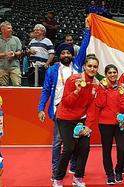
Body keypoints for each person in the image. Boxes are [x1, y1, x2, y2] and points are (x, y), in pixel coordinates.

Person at [52, 55, 100, 187]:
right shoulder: (73, 80)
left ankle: (78, 177)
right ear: (84, 66)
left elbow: (91, 107)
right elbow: (66, 102)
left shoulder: (96, 84)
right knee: (68, 149)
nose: (92, 68)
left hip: (82, 120)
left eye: (95, 67)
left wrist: (88, 126)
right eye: (89, 66)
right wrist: (77, 92)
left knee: (85, 148)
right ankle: (58, 179)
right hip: (65, 118)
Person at [38, 43, 82, 181]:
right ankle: (56, 170)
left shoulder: (77, 67)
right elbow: (46, 91)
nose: (66, 55)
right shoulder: (52, 70)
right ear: (59, 55)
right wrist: (41, 108)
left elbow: (85, 47)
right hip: (59, 109)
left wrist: (88, 30)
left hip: (77, 109)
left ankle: (74, 166)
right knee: (58, 142)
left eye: (68, 53)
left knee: (76, 140)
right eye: (63, 53)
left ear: (72, 55)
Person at [95, 64, 124, 185]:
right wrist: (103, 89)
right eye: (110, 73)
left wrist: (123, 95)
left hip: (120, 123)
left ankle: (118, 170)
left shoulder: (123, 87)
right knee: (107, 149)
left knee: (122, 147)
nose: (113, 75)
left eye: (114, 72)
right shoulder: (101, 87)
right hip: (105, 123)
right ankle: (109, 174)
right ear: (106, 74)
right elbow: (100, 104)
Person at [0, 21, 22, 86]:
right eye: (9, 28)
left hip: (15, 67)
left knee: (17, 86)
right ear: (3, 30)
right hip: (1, 67)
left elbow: (20, 51)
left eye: (11, 28)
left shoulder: (16, 39)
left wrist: (14, 54)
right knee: (3, 88)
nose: (11, 30)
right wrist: (5, 54)